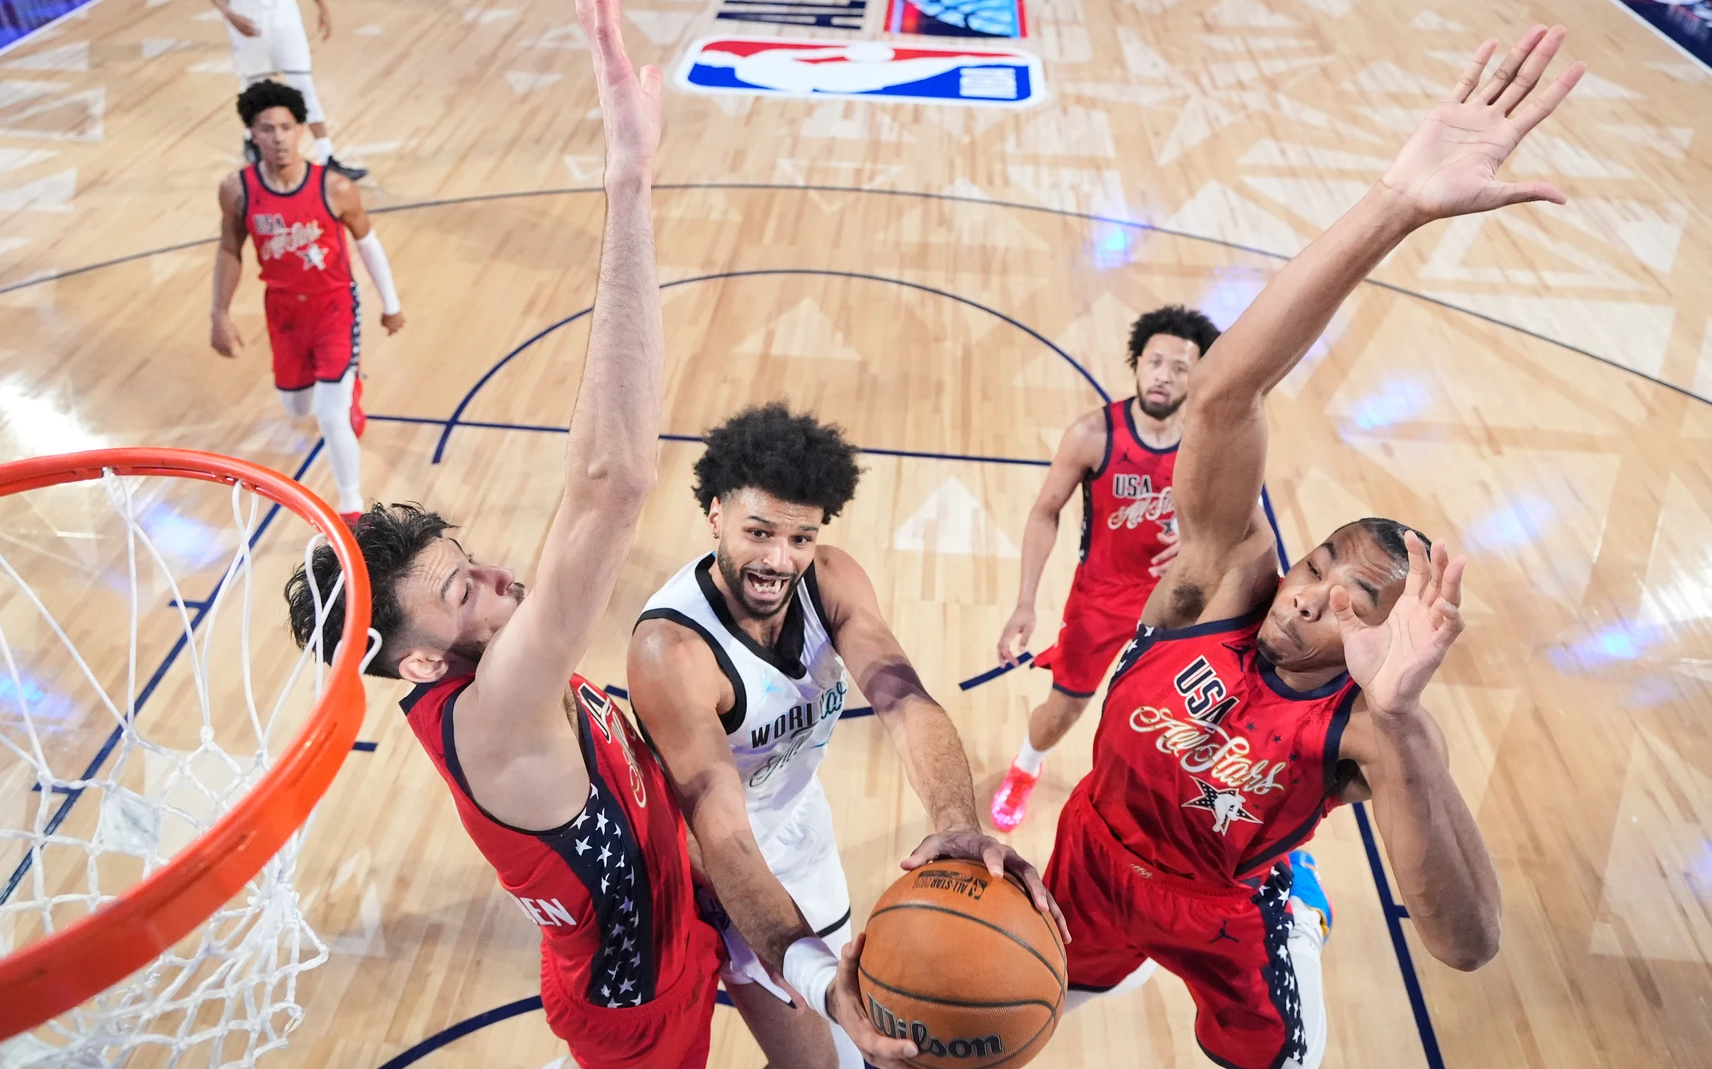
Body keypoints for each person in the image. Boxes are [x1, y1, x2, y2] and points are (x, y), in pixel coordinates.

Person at [1042, 26, 1585, 1069]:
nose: (1310, 593)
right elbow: (1226, 392)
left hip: (1231, 919)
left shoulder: (1372, 729)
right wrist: (1395, 203)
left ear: (1386, 634)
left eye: (1353, 599)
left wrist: (1402, 722)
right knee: (949, 1020)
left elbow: (1467, 943)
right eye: (1315, 564)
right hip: (1093, 859)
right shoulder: (1215, 587)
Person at [281, 2, 724, 1064]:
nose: (493, 574)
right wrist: (628, 180)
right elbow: (611, 484)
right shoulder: (490, 716)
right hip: (635, 1014)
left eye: (466, 559)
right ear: (426, 657)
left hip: (685, 923)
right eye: (461, 589)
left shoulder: (486, 676)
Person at [627, 403, 1067, 1069]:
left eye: (800, 537)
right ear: (715, 514)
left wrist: (956, 820)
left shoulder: (829, 579)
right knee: (821, 1062)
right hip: (718, 875)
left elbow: (906, 701)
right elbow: (723, 837)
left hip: (802, 828)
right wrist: (817, 986)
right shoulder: (672, 650)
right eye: (759, 531)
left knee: (859, 1045)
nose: (780, 559)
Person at [990, 304, 1220, 831]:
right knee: (1064, 710)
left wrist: (1198, 542)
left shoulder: (1210, 446)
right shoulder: (1091, 435)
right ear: (1136, 363)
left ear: (1197, 377)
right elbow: (1045, 512)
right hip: (1102, 596)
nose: (1163, 375)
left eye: (1179, 367)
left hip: (1180, 602)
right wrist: (1025, 602)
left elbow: (1238, 526)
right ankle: (1026, 768)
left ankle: (1152, 803)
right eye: (1154, 361)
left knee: (1175, 720)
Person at [211, 80, 403, 523]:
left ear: (301, 131)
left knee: (332, 416)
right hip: (283, 313)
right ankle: (344, 389)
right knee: (297, 408)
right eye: (266, 128)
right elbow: (228, 249)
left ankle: (352, 509)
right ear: (252, 135)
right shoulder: (236, 190)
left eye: (285, 126)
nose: (277, 137)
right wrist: (218, 312)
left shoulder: (334, 188)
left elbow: (369, 244)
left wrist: (390, 304)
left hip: (335, 308)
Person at [209, 0, 369, 178]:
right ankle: (251, 141)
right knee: (253, 89)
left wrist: (322, 7)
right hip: (247, 14)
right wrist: (229, 14)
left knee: (304, 87)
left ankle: (327, 157)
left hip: (284, 17)